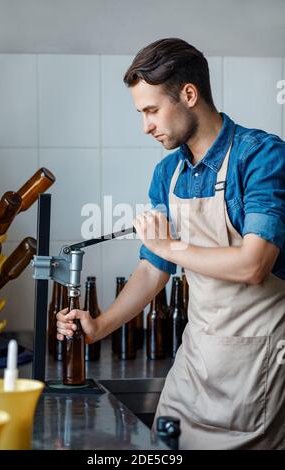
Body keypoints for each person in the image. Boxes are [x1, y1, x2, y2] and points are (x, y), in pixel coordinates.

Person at [56, 38, 285, 449]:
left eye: (151, 110)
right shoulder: (168, 174)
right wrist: (99, 327)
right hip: (192, 372)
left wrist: (170, 247)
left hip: (255, 373)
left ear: (189, 95)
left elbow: (254, 265)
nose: (146, 125)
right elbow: (152, 269)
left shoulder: (261, 157)